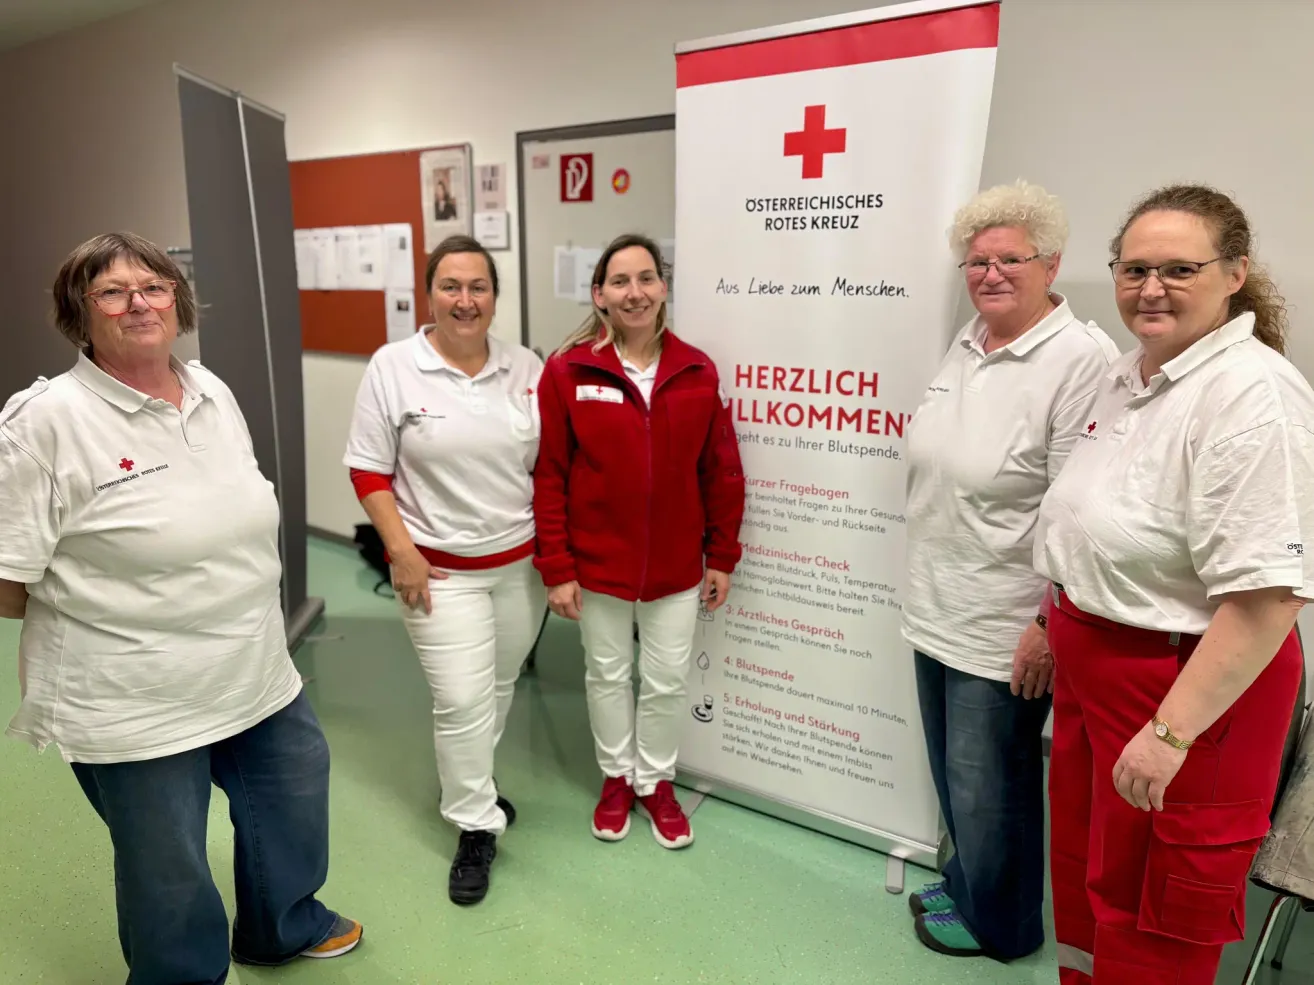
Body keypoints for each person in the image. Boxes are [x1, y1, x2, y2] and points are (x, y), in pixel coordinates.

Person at [0, 233, 360, 985]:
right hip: (137, 696)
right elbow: (9, 579)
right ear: (80, 312)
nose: (139, 301)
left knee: (294, 790)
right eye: (111, 290)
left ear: (178, 301)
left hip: (252, 667)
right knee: (169, 868)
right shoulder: (45, 421)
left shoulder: (209, 389)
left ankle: (282, 924)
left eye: (155, 286)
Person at [1036, 184, 1310, 984]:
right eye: (1134, 268)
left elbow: (1267, 598)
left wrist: (1171, 733)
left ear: (1235, 273)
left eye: (1179, 268)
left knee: (1158, 907)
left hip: (1187, 688)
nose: (1150, 287)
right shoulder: (1130, 374)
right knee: (1091, 879)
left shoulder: (1253, 398)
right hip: (1097, 668)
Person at [901, 181, 1120, 959]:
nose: (990, 274)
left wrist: (1044, 624)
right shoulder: (970, 340)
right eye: (977, 260)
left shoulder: (1080, 361)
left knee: (993, 788)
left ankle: (1003, 928)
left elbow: (1077, 507)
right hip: (937, 602)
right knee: (957, 781)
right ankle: (966, 887)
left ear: (1052, 262)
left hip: (1004, 620)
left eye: (1010, 260)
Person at [344, 234, 545, 905]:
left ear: (495, 295)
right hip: (439, 571)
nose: (466, 300)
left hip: (521, 567)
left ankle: (469, 782)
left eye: (478, 287)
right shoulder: (394, 366)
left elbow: (549, 465)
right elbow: (368, 466)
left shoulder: (526, 367)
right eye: (451, 287)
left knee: (496, 684)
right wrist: (401, 550)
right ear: (430, 295)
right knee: (460, 699)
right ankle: (473, 823)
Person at [533, 233, 744, 849]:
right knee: (606, 673)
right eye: (620, 281)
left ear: (663, 287)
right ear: (599, 295)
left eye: (646, 278)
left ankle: (655, 781)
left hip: (678, 565)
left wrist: (722, 555)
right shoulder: (568, 371)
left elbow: (721, 471)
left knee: (668, 678)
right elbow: (549, 473)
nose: (635, 292)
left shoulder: (697, 370)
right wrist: (556, 566)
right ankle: (616, 777)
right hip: (597, 565)